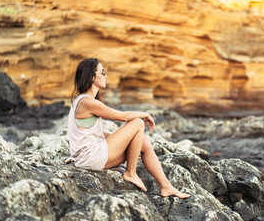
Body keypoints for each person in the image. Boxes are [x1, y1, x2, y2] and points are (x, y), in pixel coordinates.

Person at [67, 58, 190, 199]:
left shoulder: (80, 100)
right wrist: (146, 114)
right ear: (92, 76)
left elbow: (93, 133)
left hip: (91, 157)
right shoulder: (87, 102)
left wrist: (123, 139)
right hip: (91, 158)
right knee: (137, 123)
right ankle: (131, 173)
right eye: (103, 72)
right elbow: (123, 116)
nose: (106, 76)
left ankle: (166, 187)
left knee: (143, 142)